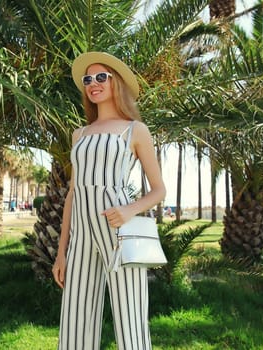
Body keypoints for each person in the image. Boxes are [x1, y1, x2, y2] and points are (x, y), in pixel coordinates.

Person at [52, 52, 166, 350]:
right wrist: (61, 252)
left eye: (101, 77)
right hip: (81, 233)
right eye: (88, 79)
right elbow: (73, 194)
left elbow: (158, 190)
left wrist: (129, 210)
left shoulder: (135, 130)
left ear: (116, 83)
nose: (93, 84)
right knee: (75, 316)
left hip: (118, 229)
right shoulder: (80, 134)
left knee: (130, 313)